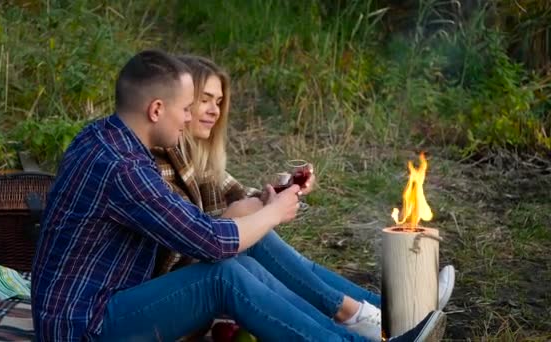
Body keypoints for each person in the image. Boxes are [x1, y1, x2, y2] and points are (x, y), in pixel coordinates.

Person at [31, 49, 446, 341]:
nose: (188, 117)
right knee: (223, 275)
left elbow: (201, 222)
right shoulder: (125, 168)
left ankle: (368, 326)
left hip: (95, 306)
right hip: (87, 325)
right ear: (156, 110)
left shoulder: (102, 137)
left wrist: (260, 207)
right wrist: (273, 212)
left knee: (235, 264)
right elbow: (208, 240)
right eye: (185, 108)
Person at [151, 55, 455, 341]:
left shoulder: (198, 160)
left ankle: (385, 312)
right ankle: (370, 315)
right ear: (180, 103)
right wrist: (242, 216)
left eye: (218, 102)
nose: (215, 110)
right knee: (250, 244)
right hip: (174, 297)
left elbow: (243, 201)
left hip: (209, 273)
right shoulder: (159, 164)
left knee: (260, 243)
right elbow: (191, 246)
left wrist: (278, 191)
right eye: (204, 101)